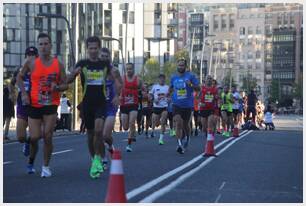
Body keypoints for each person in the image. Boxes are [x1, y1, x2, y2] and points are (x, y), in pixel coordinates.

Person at [67, 37, 121, 178]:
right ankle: (94, 159)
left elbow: (116, 80)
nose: (93, 51)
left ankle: (98, 158)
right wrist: (73, 74)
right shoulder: (82, 63)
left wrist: (117, 95)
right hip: (87, 104)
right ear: (87, 49)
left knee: (98, 132)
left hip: (101, 103)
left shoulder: (105, 65)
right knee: (90, 134)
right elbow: (68, 80)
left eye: (95, 48)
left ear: (98, 48)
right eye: (90, 48)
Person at [17, 33, 68, 177]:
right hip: (34, 104)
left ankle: (45, 166)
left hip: (51, 104)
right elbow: (19, 78)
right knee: (34, 137)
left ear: (51, 46)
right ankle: (31, 160)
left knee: (48, 135)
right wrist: (24, 94)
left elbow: (65, 84)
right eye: (41, 44)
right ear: (38, 46)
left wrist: (57, 88)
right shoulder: (31, 63)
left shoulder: (58, 64)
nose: (43, 47)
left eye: (46, 44)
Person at [169, 58, 200, 154]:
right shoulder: (173, 77)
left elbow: (198, 88)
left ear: (185, 67)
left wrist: (190, 84)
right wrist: (169, 94)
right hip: (176, 104)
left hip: (187, 105)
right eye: (179, 65)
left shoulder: (191, 76)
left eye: (182, 65)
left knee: (186, 125)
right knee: (178, 123)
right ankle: (179, 144)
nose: (180, 67)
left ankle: (187, 137)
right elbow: (171, 87)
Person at [100, 47, 122, 170]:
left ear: (110, 57)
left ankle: (111, 146)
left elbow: (120, 83)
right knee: (99, 135)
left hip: (111, 106)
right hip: (99, 105)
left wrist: (117, 96)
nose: (104, 58)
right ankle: (104, 158)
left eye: (106, 56)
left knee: (106, 135)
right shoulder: (96, 70)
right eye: (102, 56)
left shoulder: (114, 71)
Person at [16, 46, 39, 160]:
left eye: (33, 55)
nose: (30, 58)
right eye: (28, 55)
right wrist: (11, 93)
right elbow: (12, 83)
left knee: (36, 136)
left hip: (35, 105)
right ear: (25, 57)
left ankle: (30, 144)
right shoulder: (20, 71)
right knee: (20, 137)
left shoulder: (39, 71)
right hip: (22, 105)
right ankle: (26, 142)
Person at [120, 63, 145, 152]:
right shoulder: (122, 79)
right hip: (124, 105)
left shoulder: (138, 79)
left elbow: (144, 89)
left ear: (133, 69)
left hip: (134, 104)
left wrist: (145, 93)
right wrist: (118, 95)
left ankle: (129, 145)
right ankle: (133, 133)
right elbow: (117, 88)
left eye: (130, 69)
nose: (129, 71)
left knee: (131, 122)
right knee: (125, 127)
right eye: (127, 69)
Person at [149, 74, 170, 145]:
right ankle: (156, 126)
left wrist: (169, 99)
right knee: (157, 123)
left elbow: (170, 96)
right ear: (158, 79)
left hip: (164, 107)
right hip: (156, 107)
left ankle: (161, 139)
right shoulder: (155, 87)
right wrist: (153, 100)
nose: (162, 80)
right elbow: (150, 95)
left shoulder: (167, 87)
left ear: (165, 79)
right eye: (160, 79)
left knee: (163, 122)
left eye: (163, 79)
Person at [199, 75, 218, 140]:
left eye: (210, 79)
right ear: (205, 80)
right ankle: (207, 134)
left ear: (212, 80)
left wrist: (216, 97)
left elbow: (217, 97)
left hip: (211, 109)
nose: (209, 80)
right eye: (208, 78)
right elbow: (197, 97)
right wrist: (200, 103)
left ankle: (210, 139)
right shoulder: (202, 88)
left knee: (210, 123)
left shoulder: (214, 89)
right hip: (203, 108)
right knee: (204, 127)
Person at [3, 72, 18, 141]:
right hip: (8, 104)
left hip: (5, 104)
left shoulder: (7, 85)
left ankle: (5, 135)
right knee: (7, 121)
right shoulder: (12, 87)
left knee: (4, 121)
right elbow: (12, 97)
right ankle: (5, 135)